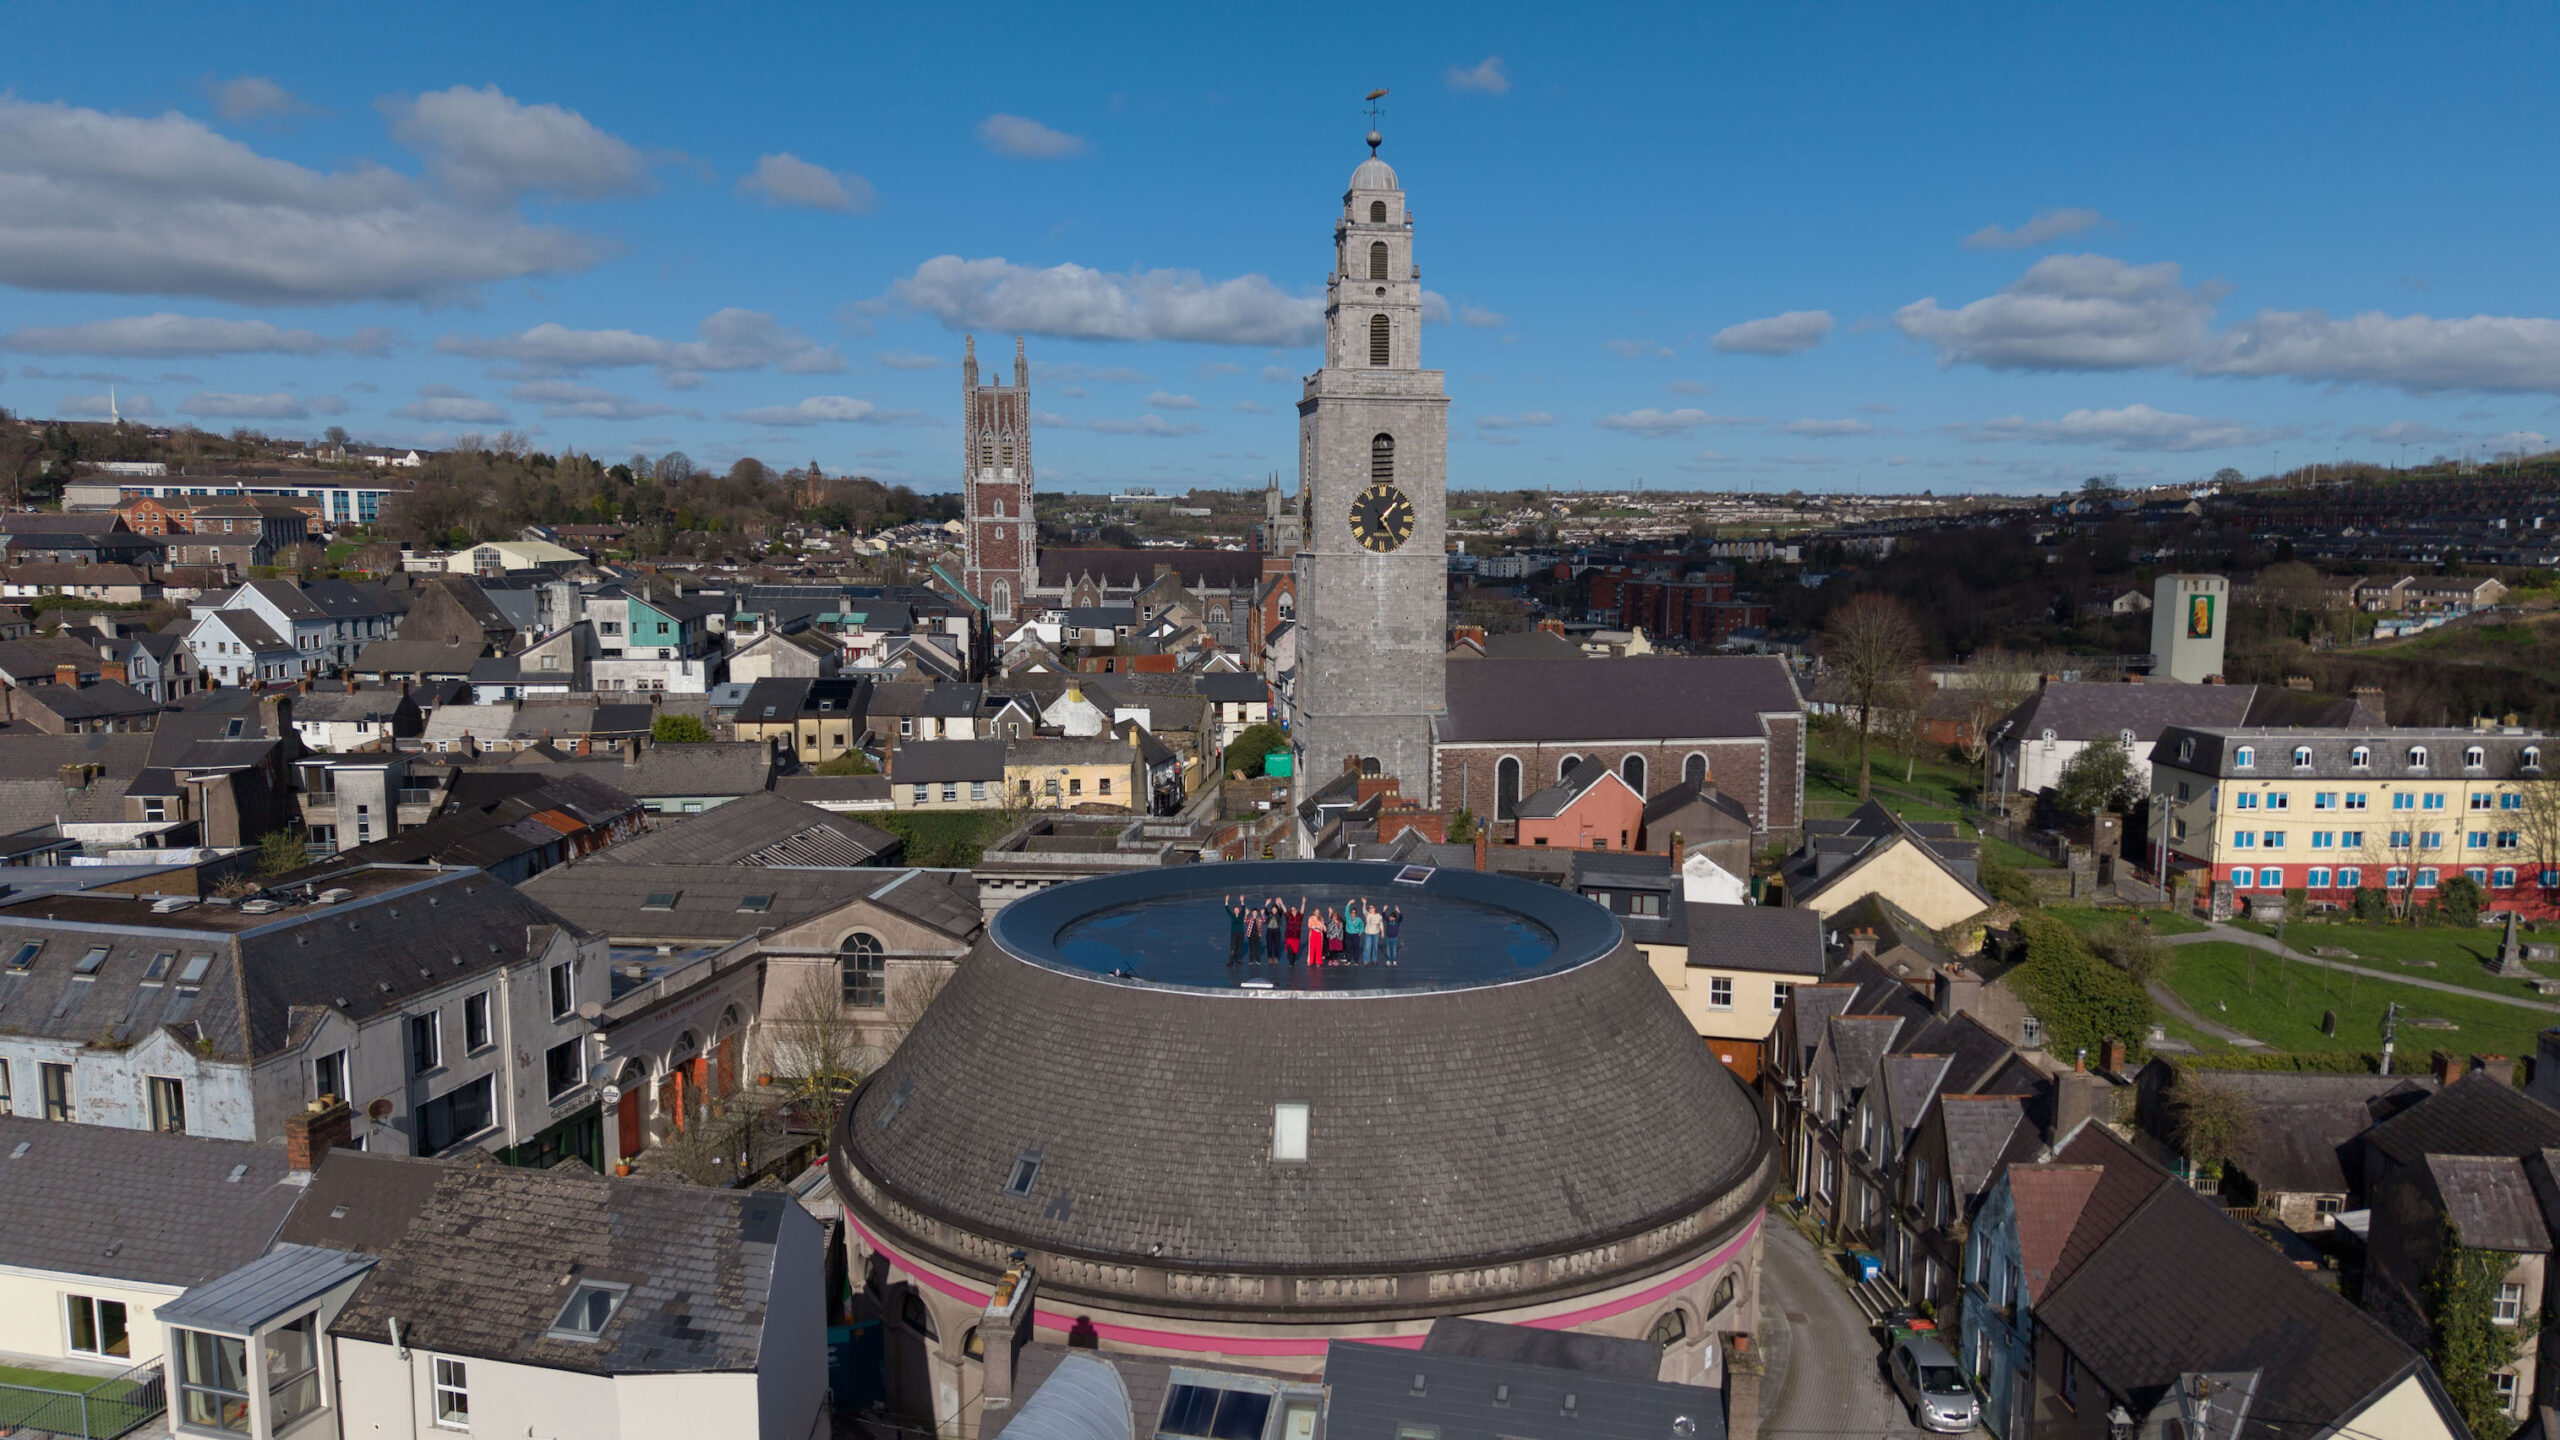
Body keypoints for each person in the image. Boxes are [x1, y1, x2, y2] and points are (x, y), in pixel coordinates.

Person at [1226, 895, 1245, 965]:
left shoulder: (1241, 915)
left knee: (1239, 947)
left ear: (1239, 910)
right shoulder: (1232, 915)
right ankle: (1231, 960)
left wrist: (1242, 901)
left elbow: (1243, 909)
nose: (1236, 911)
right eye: (1235, 910)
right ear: (1234, 911)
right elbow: (1227, 909)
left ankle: (1238, 959)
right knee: (1233, 947)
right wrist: (1226, 901)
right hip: (1234, 933)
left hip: (1240, 933)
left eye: (1237, 910)